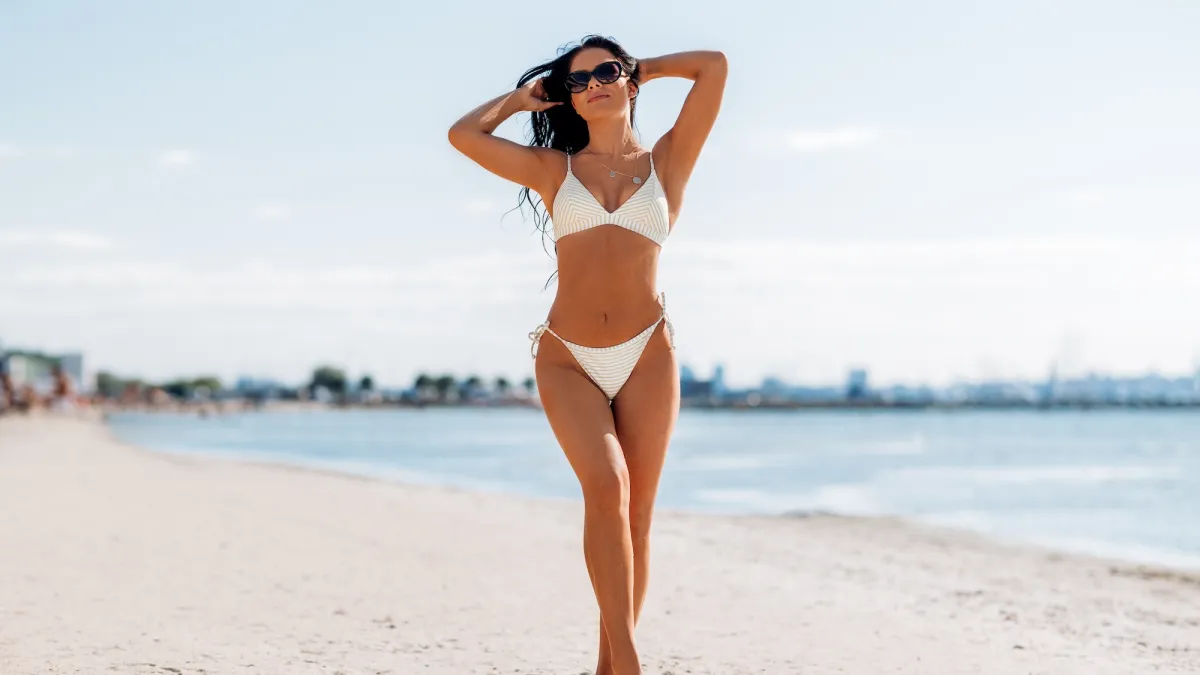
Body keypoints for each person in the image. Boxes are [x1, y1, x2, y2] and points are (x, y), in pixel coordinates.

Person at [448, 35, 726, 675]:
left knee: (637, 519)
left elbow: (714, 67)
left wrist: (644, 70)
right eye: (579, 80)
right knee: (606, 488)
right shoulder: (555, 170)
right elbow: (464, 135)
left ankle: (607, 668)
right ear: (566, 97)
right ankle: (629, 664)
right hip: (567, 356)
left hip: (648, 355)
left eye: (606, 72)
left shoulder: (669, 162)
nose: (594, 84)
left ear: (627, 83)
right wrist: (521, 101)